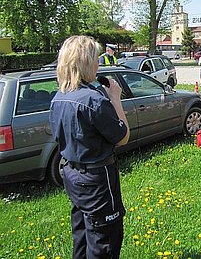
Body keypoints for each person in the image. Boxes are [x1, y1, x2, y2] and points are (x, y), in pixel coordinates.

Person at [49, 36, 129, 258]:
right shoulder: (94, 100)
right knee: (105, 239)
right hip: (96, 178)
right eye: (95, 59)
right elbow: (122, 136)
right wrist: (115, 99)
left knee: (83, 234)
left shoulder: (58, 97)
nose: (98, 64)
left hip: (71, 174)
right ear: (85, 63)